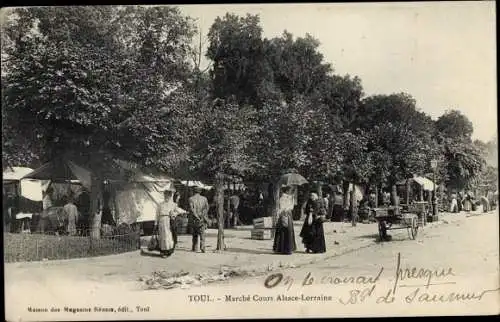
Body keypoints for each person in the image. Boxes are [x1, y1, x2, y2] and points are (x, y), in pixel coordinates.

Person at [155, 186, 183, 258]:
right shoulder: (160, 204)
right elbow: (157, 214)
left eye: (168, 195)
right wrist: (156, 223)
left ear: (170, 196)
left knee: (168, 236)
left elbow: (178, 211)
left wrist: (173, 214)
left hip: (168, 221)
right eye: (165, 195)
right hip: (161, 221)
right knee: (162, 236)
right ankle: (162, 251)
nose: (166, 196)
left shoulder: (173, 204)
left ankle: (168, 251)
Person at [273, 186, 297, 255]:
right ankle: (285, 249)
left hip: (287, 214)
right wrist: (289, 204)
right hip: (285, 214)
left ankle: (284, 248)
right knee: (286, 231)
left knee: (286, 231)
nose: (290, 192)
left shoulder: (289, 198)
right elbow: (284, 207)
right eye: (289, 191)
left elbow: (291, 207)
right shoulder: (283, 198)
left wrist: (291, 200)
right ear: (286, 191)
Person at [189, 186, 209, 253]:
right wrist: (202, 215)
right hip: (202, 218)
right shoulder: (204, 199)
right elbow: (207, 208)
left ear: (194, 191)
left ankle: (194, 247)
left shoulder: (191, 199)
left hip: (194, 218)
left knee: (194, 233)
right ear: (200, 191)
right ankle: (202, 247)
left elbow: (192, 209)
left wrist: (196, 216)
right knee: (202, 233)